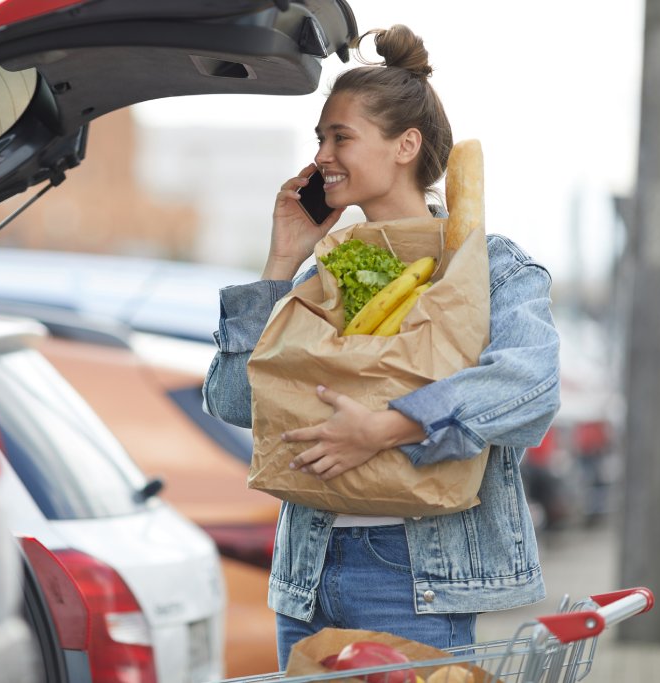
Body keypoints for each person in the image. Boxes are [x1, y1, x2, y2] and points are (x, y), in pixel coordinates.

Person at [202, 24, 561, 668]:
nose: (322, 157)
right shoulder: (326, 273)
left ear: (406, 145)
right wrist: (282, 259)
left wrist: (387, 428)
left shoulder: (488, 267)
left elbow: (529, 387)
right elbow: (235, 402)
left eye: (341, 137)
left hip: (415, 574)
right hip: (306, 573)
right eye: (319, 139)